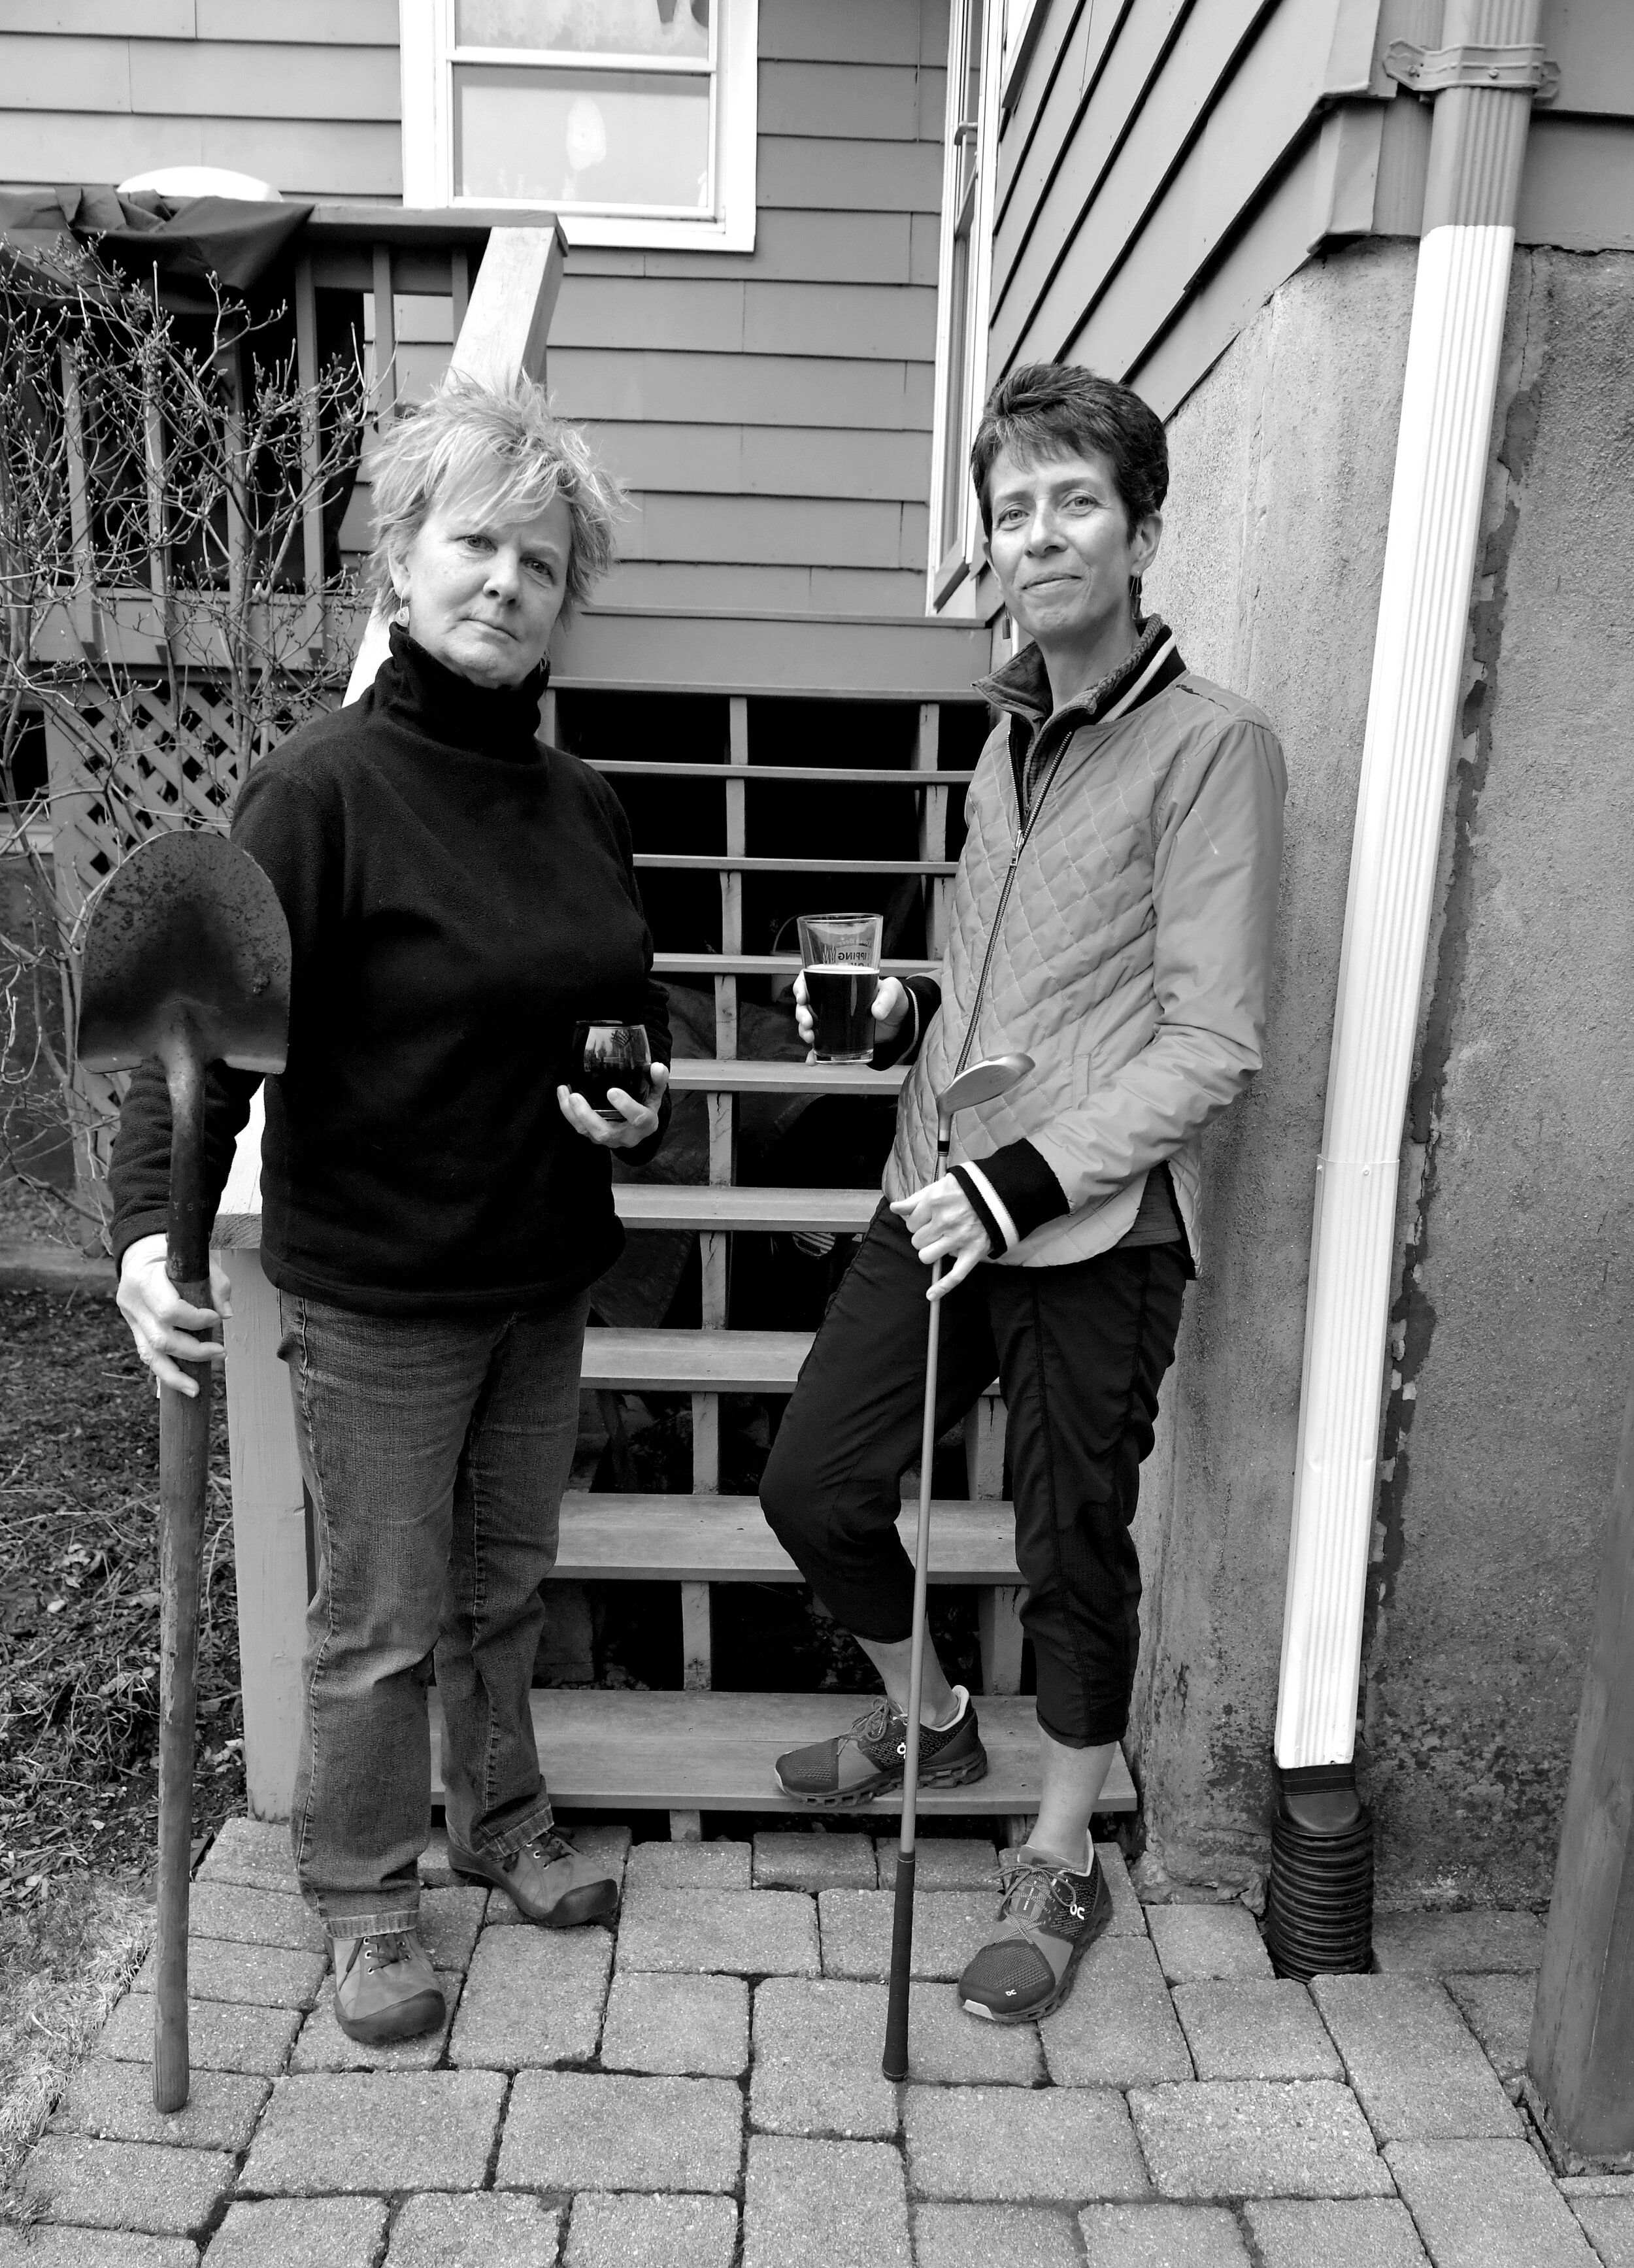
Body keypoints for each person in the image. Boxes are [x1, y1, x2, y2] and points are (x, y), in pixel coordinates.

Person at [109, 375, 672, 2044]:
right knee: (375, 1621)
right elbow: (198, 1042)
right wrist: (154, 1236)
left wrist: (647, 1102)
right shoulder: (322, 791)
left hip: (540, 1275)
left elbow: (629, 1014)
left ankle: (499, 1825)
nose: (506, 583)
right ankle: (361, 1894)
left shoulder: (586, 807)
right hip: (377, 1301)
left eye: (542, 562)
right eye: (476, 544)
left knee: (504, 1586)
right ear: (401, 565)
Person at [760, 362, 1285, 2023]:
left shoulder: (1215, 750)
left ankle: (1060, 1848)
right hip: (933, 1196)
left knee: (1070, 1547)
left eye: (1073, 502)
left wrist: (1021, 1183)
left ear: (1140, 530)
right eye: (1011, 509)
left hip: (1088, 1232)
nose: (1037, 533)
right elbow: (1002, 979)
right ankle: (927, 1716)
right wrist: (898, 1013)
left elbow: (1214, 1041)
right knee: (814, 1489)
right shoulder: (1003, 744)